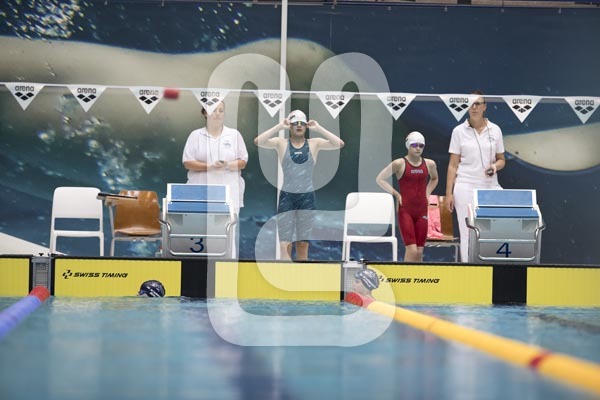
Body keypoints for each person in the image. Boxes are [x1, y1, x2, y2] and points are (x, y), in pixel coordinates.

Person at [254, 110, 344, 261]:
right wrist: (279, 126)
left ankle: (302, 275)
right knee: (285, 244)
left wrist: (319, 128)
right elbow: (258, 141)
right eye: (295, 123)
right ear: (290, 126)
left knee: (302, 245)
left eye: (302, 123)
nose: (299, 126)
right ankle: (285, 274)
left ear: (306, 126)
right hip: (287, 198)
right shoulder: (281, 143)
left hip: (307, 199)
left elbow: (339, 144)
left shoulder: (314, 144)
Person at [445, 90, 506, 262]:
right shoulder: (458, 131)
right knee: (467, 232)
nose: (474, 107)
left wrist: (494, 167)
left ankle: (490, 265)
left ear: (484, 107)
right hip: (465, 185)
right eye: (471, 104)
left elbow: (502, 160)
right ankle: (468, 269)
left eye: (478, 104)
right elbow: (453, 165)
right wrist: (449, 193)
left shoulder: (495, 130)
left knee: (491, 230)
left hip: (489, 186)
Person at [182, 102, 248, 258]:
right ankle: (198, 267)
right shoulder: (196, 135)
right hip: (201, 194)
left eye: (221, 110)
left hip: (228, 194)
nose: (217, 114)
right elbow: (187, 162)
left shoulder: (234, 135)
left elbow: (243, 161)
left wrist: (227, 165)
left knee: (227, 234)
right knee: (199, 233)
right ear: (205, 113)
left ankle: (228, 266)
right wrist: (210, 166)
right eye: (213, 110)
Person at [376, 131, 439, 262]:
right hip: (406, 211)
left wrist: (427, 193)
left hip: (422, 211)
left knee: (419, 252)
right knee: (412, 250)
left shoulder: (430, 164)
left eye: (421, 145)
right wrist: (396, 194)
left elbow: (435, 178)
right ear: (408, 145)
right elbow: (380, 179)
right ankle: (405, 275)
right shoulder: (399, 164)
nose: (418, 148)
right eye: (414, 145)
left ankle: (417, 275)